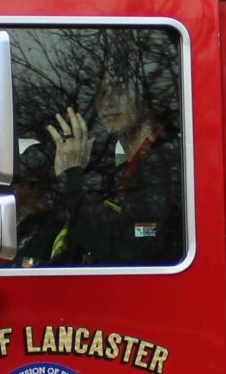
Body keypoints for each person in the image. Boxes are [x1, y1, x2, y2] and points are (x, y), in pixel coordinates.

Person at [48, 68, 184, 266]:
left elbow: (126, 250)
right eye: (102, 94)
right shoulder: (123, 171)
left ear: (146, 96)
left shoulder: (166, 160)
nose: (108, 103)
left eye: (120, 90)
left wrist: (73, 177)